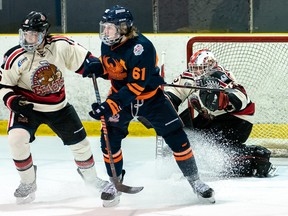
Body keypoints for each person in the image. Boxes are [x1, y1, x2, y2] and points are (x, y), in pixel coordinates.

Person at [82, 5, 215, 207]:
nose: (105, 32)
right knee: (109, 139)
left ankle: (195, 181)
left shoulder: (141, 47)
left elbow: (136, 86)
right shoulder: (107, 44)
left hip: (151, 99)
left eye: (110, 27)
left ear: (124, 28)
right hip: (120, 97)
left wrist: (110, 105)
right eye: (105, 27)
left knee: (177, 137)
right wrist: (98, 68)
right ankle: (114, 182)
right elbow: (115, 69)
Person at [0, 11, 108, 204]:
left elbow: (84, 60)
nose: (28, 38)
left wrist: (92, 64)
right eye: (26, 33)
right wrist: (12, 101)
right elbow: (3, 85)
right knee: (16, 139)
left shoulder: (60, 45)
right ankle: (28, 182)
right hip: (28, 108)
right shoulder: (14, 56)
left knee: (81, 145)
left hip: (59, 108)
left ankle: (92, 180)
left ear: (44, 33)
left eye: (33, 34)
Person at [165, 48, 277, 178]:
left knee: (216, 155)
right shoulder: (188, 77)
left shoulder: (221, 75)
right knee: (184, 139)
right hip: (210, 119)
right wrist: (162, 108)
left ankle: (256, 156)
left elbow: (241, 98)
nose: (196, 71)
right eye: (194, 68)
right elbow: (174, 93)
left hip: (236, 121)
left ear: (210, 66)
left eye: (200, 68)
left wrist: (226, 100)